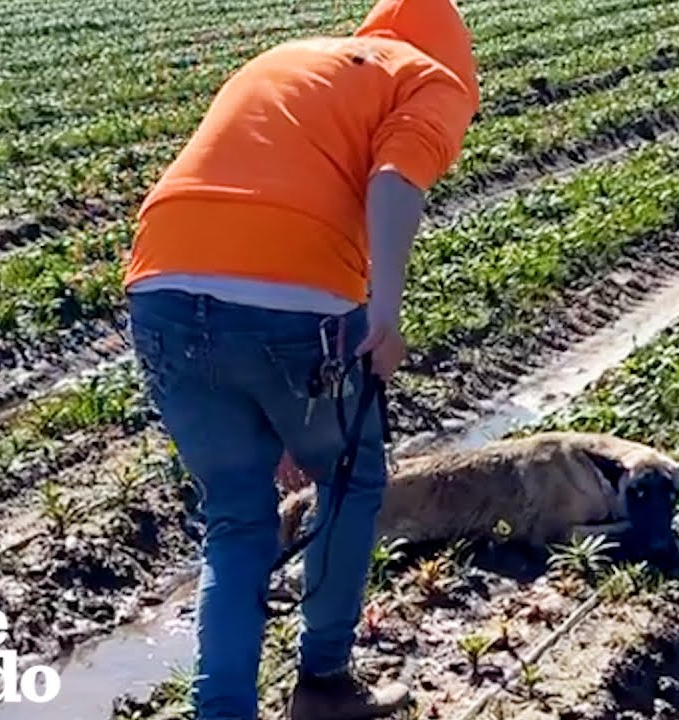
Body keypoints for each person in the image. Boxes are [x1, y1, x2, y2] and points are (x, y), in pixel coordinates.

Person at [122, 0, 479, 717]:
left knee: (236, 518)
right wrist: (384, 312)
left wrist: (285, 420)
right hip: (297, 304)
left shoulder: (297, 59)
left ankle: (221, 710)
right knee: (350, 480)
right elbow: (394, 180)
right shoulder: (430, 78)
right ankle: (323, 683)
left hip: (160, 284)